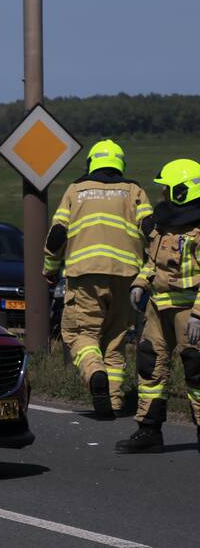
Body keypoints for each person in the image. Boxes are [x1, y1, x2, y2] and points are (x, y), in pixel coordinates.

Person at [43, 139, 152, 419]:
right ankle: (113, 402)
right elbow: (151, 230)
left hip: (85, 275)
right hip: (126, 276)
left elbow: (56, 236)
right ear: (120, 164)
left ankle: (94, 372)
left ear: (91, 163)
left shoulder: (75, 191)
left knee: (80, 334)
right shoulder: (134, 190)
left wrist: (50, 270)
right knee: (115, 340)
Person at [116, 159, 200, 454]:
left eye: (167, 189)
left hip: (190, 312)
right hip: (158, 308)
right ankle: (149, 430)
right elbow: (152, 262)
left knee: (196, 370)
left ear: (183, 191)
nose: (162, 195)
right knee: (150, 365)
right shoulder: (162, 226)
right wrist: (140, 283)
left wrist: (198, 315)